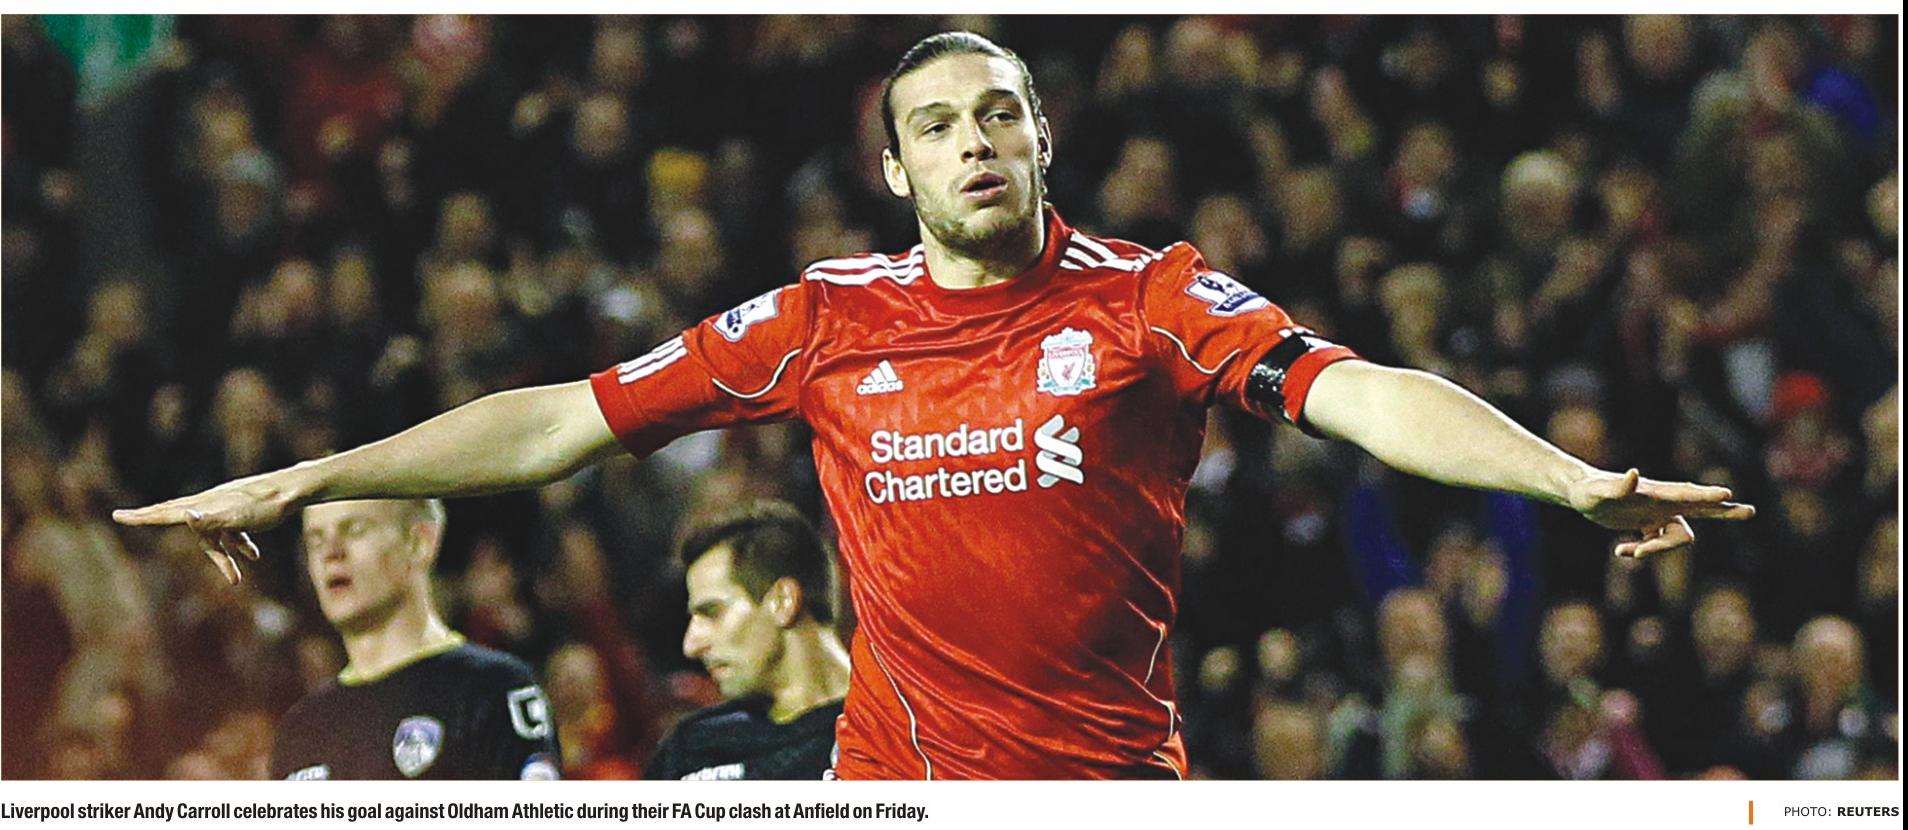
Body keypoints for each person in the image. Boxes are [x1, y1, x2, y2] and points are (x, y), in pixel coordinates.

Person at [118, 31, 1753, 780]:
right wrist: (308, 477)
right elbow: (559, 420)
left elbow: (1362, 393)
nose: (976, 140)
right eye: (940, 124)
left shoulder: (1148, 299)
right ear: (895, 169)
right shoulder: (825, 318)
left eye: (1001, 113)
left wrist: (1566, 479)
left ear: (1042, 139)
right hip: (894, 785)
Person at [268, 498, 560, 780]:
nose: (331, 553)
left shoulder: (494, 690)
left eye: (355, 529)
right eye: (316, 540)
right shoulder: (300, 729)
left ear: (420, 542)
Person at [647, 500, 850, 780]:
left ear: (783, 601)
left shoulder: (891, 732)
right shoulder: (690, 749)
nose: (691, 646)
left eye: (713, 612)